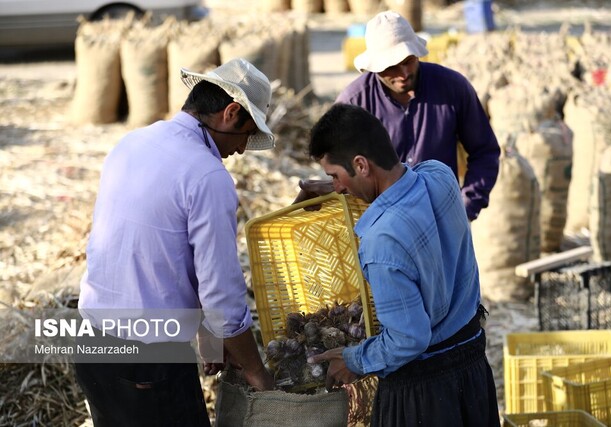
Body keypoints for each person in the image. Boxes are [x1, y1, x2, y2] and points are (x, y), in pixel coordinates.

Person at [74, 58, 275, 426]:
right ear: (231, 113)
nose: (243, 149)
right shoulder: (207, 176)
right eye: (247, 134)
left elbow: (160, 252)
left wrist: (208, 338)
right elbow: (222, 295)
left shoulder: (134, 142)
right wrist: (256, 371)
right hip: (146, 360)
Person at [306, 103, 500, 426]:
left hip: (427, 395)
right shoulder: (440, 175)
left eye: (336, 177)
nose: (338, 187)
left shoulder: (382, 242)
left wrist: (354, 359)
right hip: (473, 366)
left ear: (361, 165)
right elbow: (405, 175)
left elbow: (408, 339)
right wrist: (342, 184)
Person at [297, 11, 500, 221]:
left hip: (443, 218)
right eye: (391, 67)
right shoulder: (353, 103)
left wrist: (466, 207)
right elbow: (342, 171)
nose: (403, 74)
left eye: (409, 61)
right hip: (382, 222)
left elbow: (484, 152)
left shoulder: (453, 88)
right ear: (374, 68)